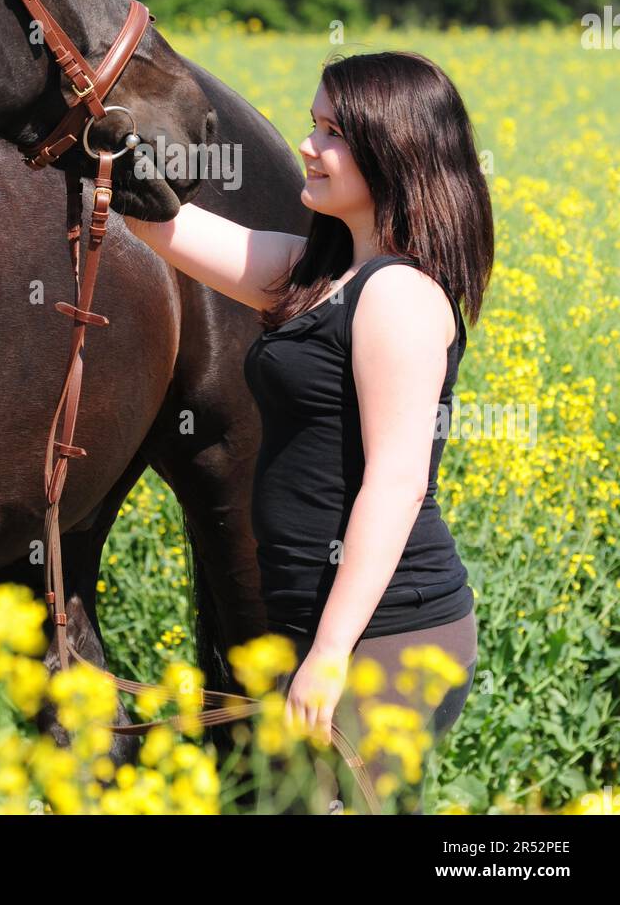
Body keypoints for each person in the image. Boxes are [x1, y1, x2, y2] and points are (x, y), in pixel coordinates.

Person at [123, 49, 493, 814]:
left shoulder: (398, 297)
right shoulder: (318, 276)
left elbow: (396, 483)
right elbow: (167, 231)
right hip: (317, 623)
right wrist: (99, 144)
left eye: (331, 133)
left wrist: (328, 656)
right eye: (311, 125)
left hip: (386, 638)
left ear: (392, 154)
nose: (306, 146)